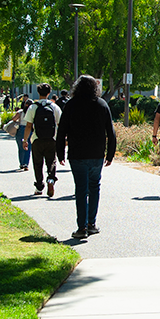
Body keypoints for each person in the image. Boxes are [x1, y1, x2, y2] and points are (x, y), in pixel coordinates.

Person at [56, 75, 117, 239]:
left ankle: (81, 227)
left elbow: (62, 131)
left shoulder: (71, 105)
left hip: (77, 154)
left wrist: (60, 152)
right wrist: (110, 154)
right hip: (97, 153)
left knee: (81, 190)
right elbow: (110, 132)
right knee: (94, 187)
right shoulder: (101, 104)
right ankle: (92, 223)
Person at [24, 83, 62, 196]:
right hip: (51, 139)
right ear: (49, 93)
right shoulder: (54, 107)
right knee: (51, 161)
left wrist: (25, 140)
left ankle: (39, 186)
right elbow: (60, 124)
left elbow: (29, 126)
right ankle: (51, 179)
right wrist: (63, 139)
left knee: (37, 163)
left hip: (37, 139)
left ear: (38, 92)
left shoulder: (33, 107)